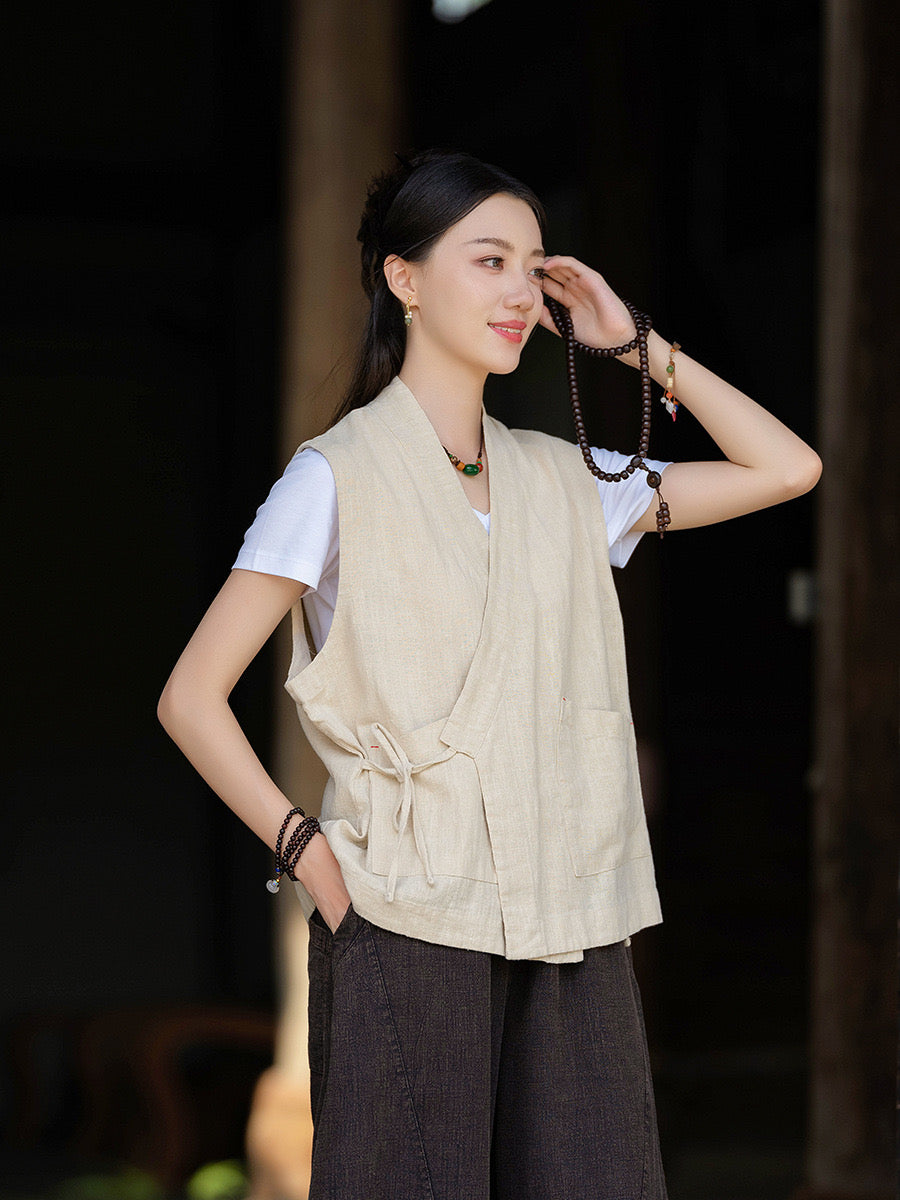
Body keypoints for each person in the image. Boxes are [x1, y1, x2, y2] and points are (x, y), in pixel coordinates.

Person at [158, 149, 821, 1199]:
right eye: (488, 259)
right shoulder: (334, 477)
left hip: (574, 915)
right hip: (404, 915)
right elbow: (191, 697)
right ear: (404, 279)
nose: (521, 291)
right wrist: (309, 857)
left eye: (532, 264)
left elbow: (788, 468)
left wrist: (635, 346)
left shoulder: (569, 481)